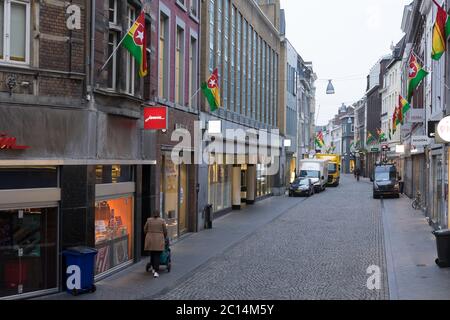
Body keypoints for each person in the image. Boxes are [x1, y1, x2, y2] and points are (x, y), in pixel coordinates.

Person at [144, 210, 168, 278]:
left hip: (150, 239)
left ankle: (153, 267)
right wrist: (164, 236)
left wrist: (149, 234)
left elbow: (145, 229)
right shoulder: (162, 221)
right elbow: (165, 231)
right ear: (158, 214)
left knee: (152, 253)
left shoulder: (149, 220)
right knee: (157, 255)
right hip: (159, 239)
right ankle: (156, 271)